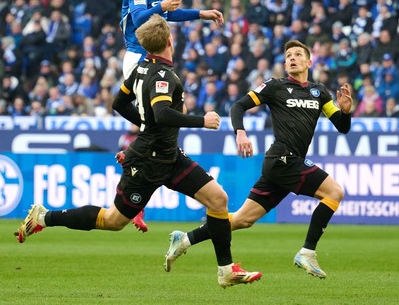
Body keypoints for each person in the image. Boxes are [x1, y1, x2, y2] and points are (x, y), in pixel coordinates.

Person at [15, 15, 262, 288]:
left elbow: (119, 102)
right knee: (113, 220)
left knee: (218, 199)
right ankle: (44, 217)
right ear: (170, 40)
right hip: (146, 162)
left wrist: (145, 125)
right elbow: (163, 112)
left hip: (169, 156)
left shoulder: (143, 67)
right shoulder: (162, 76)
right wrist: (200, 121)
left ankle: (225, 270)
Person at [163, 40, 353, 278]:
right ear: (285, 64)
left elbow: (342, 127)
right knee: (334, 192)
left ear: (309, 61)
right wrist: (240, 132)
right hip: (283, 159)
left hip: (283, 165)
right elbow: (238, 107)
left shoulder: (319, 92)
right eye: (288, 56)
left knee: (242, 219)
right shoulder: (275, 86)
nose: (292, 58)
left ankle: (185, 239)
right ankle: (307, 251)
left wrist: (345, 111)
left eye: (297, 54)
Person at [119, 0, 224, 232]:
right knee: (166, 118)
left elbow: (168, 15)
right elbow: (141, 19)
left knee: (164, 119)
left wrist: (201, 13)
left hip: (150, 57)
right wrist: (161, 7)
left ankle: (133, 156)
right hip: (139, 55)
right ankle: (133, 159)